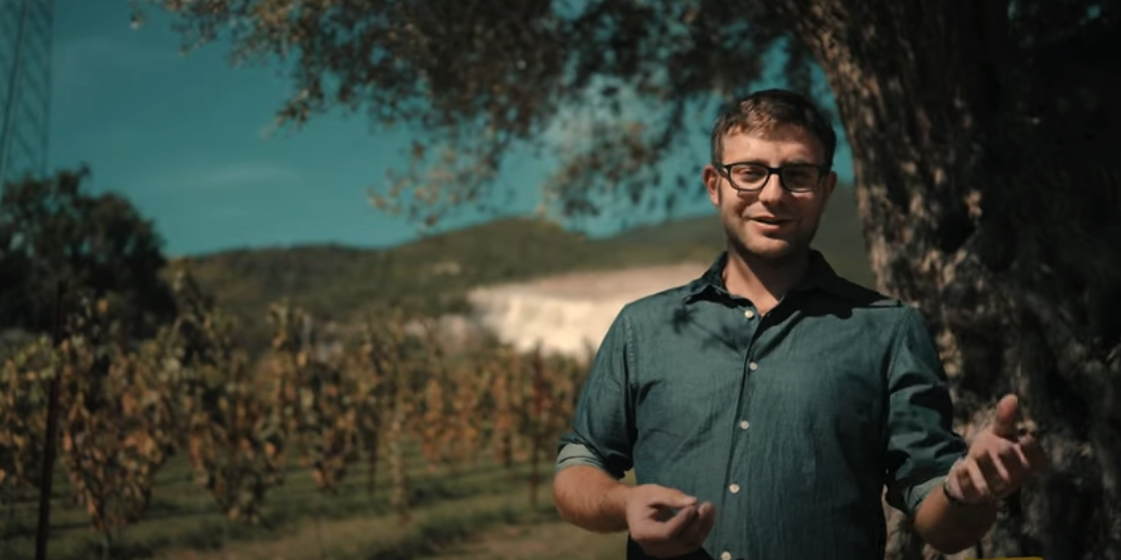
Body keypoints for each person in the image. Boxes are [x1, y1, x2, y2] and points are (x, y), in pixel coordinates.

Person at [551, 88, 1050, 560]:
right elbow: (580, 464)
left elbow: (940, 519)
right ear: (714, 185)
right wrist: (624, 504)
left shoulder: (890, 332)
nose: (773, 195)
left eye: (797, 174)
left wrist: (964, 493)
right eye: (749, 172)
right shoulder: (642, 328)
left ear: (826, 188)